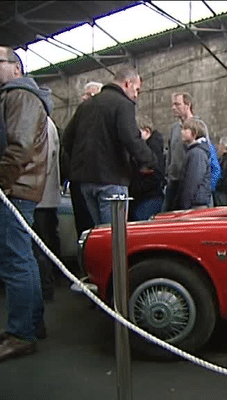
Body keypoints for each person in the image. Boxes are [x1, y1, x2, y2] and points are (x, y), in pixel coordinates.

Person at [0, 46, 53, 361]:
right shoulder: (21, 96)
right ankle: (30, 324)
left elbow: (18, 147)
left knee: (15, 261)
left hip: (14, 189)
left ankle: (21, 333)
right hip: (21, 188)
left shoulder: (19, 96)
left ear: (15, 67)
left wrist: (2, 181)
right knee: (24, 260)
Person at [62, 66, 156, 226]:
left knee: (99, 233)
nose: (136, 95)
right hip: (112, 181)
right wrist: (150, 161)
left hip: (86, 181)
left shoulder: (86, 105)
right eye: (137, 90)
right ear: (128, 83)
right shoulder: (123, 104)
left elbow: (67, 138)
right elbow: (130, 138)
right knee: (115, 237)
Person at [164, 92, 220, 211]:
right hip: (174, 184)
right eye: (172, 104)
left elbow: (211, 160)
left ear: (187, 105)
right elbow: (170, 155)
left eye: (177, 104)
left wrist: (207, 190)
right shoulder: (174, 129)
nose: (173, 108)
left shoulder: (200, 127)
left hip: (193, 187)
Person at [63, 83, 97, 241]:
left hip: (90, 178)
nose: (84, 98)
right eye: (84, 94)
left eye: (89, 95)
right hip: (81, 178)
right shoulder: (80, 116)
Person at [33, 117, 61, 302]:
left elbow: (47, 158)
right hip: (45, 195)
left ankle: (46, 288)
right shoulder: (46, 122)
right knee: (47, 241)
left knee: (40, 246)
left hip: (40, 196)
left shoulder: (42, 122)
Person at [128, 116, 165, 221]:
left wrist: (135, 188)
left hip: (149, 197)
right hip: (141, 196)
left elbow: (156, 174)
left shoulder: (153, 150)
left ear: (146, 131)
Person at [174, 118, 212, 209]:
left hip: (196, 204)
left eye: (185, 129)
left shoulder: (197, 153)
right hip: (195, 203)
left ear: (194, 133)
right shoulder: (194, 151)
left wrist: (184, 205)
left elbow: (192, 182)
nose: (181, 132)